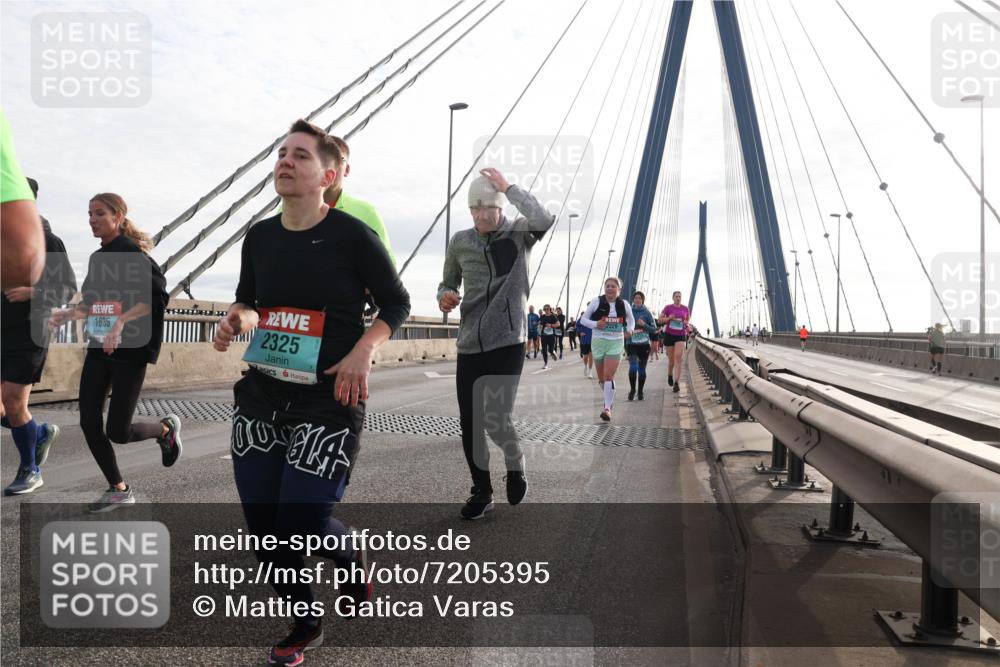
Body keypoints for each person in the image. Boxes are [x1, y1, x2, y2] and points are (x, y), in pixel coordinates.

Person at [213, 120, 410, 665]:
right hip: (261, 396)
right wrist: (238, 320)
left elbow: (396, 303)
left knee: (301, 520)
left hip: (329, 398)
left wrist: (363, 350)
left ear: (327, 174)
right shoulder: (260, 236)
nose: (285, 161)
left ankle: (349, 562)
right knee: (265, 532)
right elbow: (248, 299)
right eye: (280, 153)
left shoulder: (351, 236)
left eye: (299, 155)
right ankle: (305, 620)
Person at [47, 193, 181, 512]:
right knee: (88, 421)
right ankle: (118, 488)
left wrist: (121, 321)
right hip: (99, 348)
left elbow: (156, 301)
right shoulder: (98, 258)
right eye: (89, 214)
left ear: (118, 217)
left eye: (99, 214)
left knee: (117, 431)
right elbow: (91, 302)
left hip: (131, 352)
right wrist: (69, 315)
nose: (92, 220)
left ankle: (165, 429)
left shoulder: (136, 256)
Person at [438, 167, 554, 520]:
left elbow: (544, 219)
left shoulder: (519, 234)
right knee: (470, 421)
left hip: (508, 340)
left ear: (501, 207)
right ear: (470, 211)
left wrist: (510, 188)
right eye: (479, 209)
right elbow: (446, 282)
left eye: (493, 207)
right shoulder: (459, 241)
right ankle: (482, 490)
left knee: (495, 416)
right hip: (470, 341)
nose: (487, 215)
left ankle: (515, 460)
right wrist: (445, 296)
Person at [1, 177, 77, 495]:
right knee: (9, 408)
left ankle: (31, 469)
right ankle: (39, 432)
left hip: (31, 332)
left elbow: (67, 288)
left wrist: (31, 290)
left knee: (14, 401)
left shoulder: (49, 240)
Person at [579, 277, 635, 421]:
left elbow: (631, 319)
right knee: (602, 380)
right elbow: (583, 320)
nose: (610, 288)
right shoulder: (596, 302)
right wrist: (596, 324)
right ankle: (610, 395)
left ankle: (607, 408)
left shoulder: (624, 304)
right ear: (604, 288)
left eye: (613, 286)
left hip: (616, 342)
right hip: (598, 342)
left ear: (619, 289)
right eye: (607, 286)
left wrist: (630, 329)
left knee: (609, 376)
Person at [0, 111, 44, 289]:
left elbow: (66, 289)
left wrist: (33, 294)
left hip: (29, 316)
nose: (92, 219)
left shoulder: (51, 240)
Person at [657, 290, 689, 395]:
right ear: (673, 298)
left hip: (680, 335)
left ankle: (676, 383)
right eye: (676, 296)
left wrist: (685, 323)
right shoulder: (668, 308)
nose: (678, 298)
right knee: (671, 361)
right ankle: (670, 374)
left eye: (679, 296)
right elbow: (659, 320)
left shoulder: (685, 308)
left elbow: (687, 321)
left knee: (678, 358)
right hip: (670, 335)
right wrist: (668, 318)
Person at [626, 291, 655, 401]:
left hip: (644, 345)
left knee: (641, 369)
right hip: (631, 344)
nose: (637, 300)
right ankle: (633, 389)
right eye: (636, 298)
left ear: (642, 300)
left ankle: (640, 391)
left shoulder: (647, 313)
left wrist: (644, 325)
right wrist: (628, 331)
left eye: (639, 298)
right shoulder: (629, 312)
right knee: (633, 367)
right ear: (633, 300)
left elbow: (654, 329)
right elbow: (623, 325)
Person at [538, 304, 560, 370]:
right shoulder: (542, 316)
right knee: (544, 350)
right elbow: (540, 324)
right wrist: (539, 330)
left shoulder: (553, 316)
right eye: (545, 309)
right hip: (543, 335)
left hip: (551, 336)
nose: (546, 310)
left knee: (550, 350)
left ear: (550, 309)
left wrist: (550, 325)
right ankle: (545, 363)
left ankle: (553, 353)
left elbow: (558, 324)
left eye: (547, 309)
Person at [577, 312, 593, 378]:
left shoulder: (595, 316)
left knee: (591, 356)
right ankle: (585, 366)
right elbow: (577, 325)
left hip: (593, 339)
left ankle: (590, 371)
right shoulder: (584, 316)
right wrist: (580, 331)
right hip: (585, 339)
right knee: (585, 357)